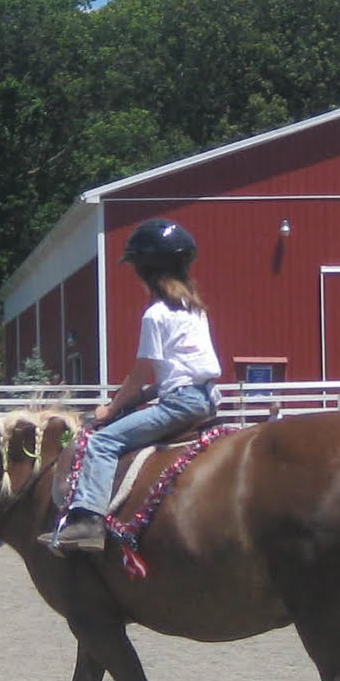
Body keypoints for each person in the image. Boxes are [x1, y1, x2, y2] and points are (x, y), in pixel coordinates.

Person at [39, 219, 222, 554]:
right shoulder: (195, 310)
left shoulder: (156, 314)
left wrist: (110, 408)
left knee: (103, 443)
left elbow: (140, 372)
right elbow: (179, 372)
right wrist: (144, 397)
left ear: (145, 270)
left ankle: (89, 523)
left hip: (180, 404)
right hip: (207, 399)